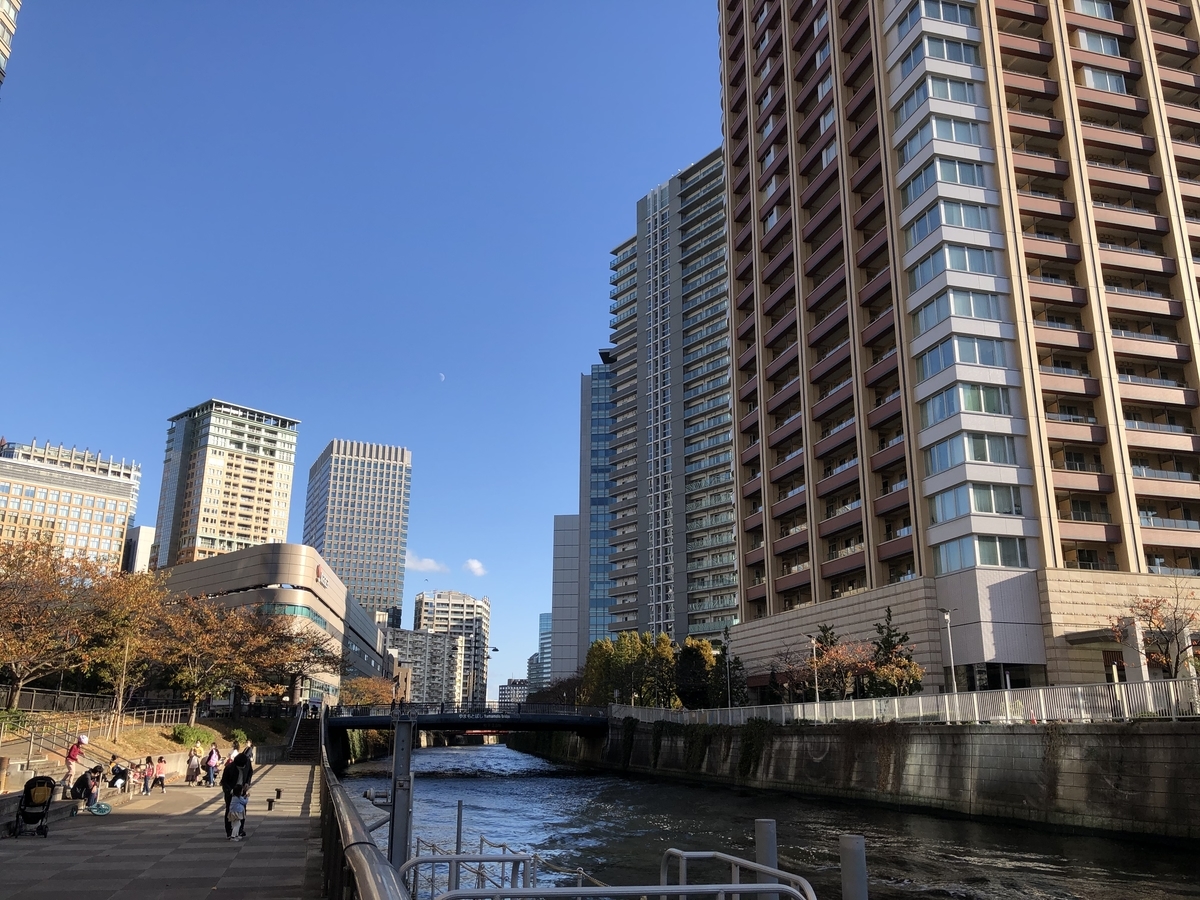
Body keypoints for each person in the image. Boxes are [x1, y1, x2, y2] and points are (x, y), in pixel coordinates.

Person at [220, 751, 253, 840]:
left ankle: (240, 829)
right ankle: (229, 831)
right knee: (229, 811)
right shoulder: (229, 768)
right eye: (240, 767)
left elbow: (250, 772)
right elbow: (224, 782)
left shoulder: (247, 762)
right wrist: (230, 791)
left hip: (242, 790)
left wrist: (247, 782)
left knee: (242, 810)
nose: (243, 768)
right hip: (231, 792)